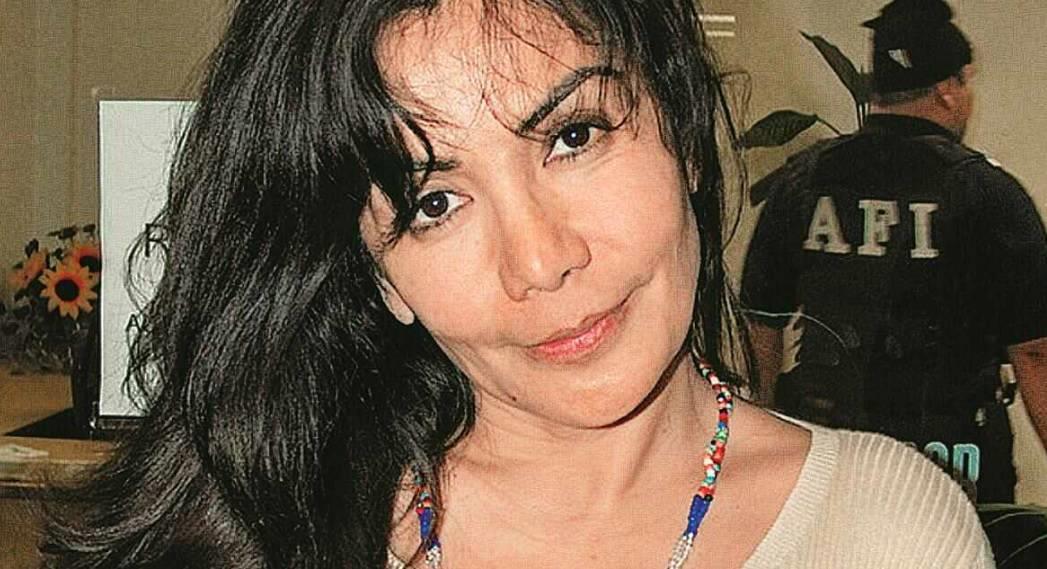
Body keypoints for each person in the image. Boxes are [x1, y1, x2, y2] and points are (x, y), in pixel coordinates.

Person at [43, 1, 994, 567]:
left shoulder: (879, 530)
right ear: (378, 276)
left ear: (681, 135)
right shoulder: (272, 525)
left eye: (573, 136)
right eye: (433, 203)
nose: (540, 261)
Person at [742, 0, 1047, 504]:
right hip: (955, 465)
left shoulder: (804, 180)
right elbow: (1035, 355)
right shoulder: (988, 194)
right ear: (948, 89)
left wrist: (762, 462)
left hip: (830, 460)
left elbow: (760, 326)